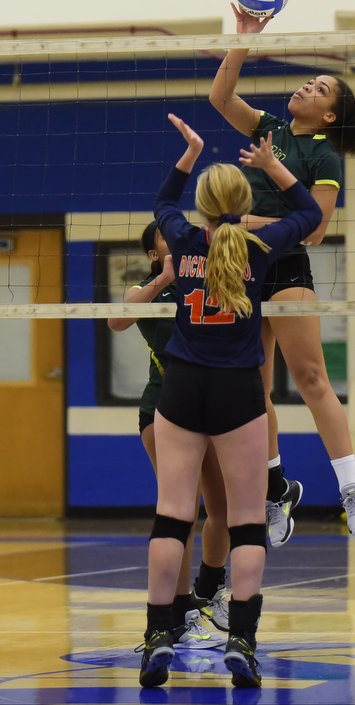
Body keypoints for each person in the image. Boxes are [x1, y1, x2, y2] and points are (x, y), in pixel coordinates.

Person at [138, 113, 322, 689]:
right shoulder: (260, 241)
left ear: (202, 204)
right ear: (243, 203)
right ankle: (241, 640)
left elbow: (162, 200)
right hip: (240, 390)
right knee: (244, 522)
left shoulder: (185, 238)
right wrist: (275, 167)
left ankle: (157, 637)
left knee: (173, 515)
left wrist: (189, 153)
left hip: (183, 388)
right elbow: (311, 217)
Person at [208, 3, 355, 545]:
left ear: (330, 115)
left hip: (284, 266)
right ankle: (276, 486)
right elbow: (220, 98)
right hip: (240, 269)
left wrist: (245, 221)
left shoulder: (323, 155)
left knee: (310, 380)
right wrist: (243, 37)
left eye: (320, 88)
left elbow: (314, 230)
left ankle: (352, 490)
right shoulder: (271, 127)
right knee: (251, 387)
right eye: (309, 81)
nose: (308, 87)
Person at [107, 230, 230, 646]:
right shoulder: (148, 291)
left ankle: (208, 590)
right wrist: (165, 278)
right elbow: (117, 320)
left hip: (213, 409)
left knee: (225, 509)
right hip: (163, 410)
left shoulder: (209, 284)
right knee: (181, 511)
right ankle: (175, 613)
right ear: (152, 252)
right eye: (166, 239)